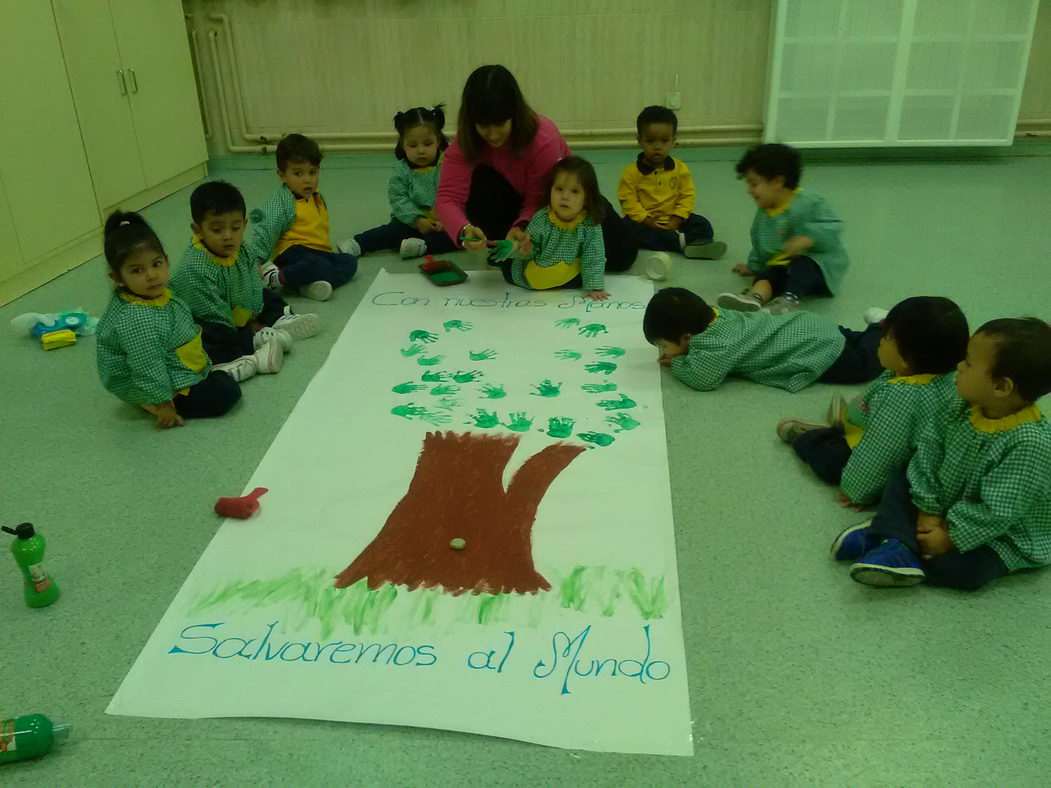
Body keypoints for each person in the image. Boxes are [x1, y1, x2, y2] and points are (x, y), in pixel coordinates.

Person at [835, 318, 1051, 591]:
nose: (958, 367)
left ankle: (893, 538)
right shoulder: (960, 405)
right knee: (902, 476)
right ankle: (894, 542)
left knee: (960, 572)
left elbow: (996, 512)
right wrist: (928, 510)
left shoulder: (1030, 444)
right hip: (946, 499)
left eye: (969, 363)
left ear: (1000, 387)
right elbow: (928, 451)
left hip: (998, 533)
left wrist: (950, 538)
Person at [435, 64, 637, 272]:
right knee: (482, 181)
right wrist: (464, 229)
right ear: (471, 121)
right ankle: (516, 249)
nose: (493, 135)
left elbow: (540, 199)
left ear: (514, 114)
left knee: (622, 256)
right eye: (484, 126)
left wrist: (522, 225)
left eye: (500, 124)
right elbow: (448, 197)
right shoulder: (466, 141)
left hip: (561, 205)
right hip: (518, 209)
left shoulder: (543, 138)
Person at [777, 297, 968, 506]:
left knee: (830, 462)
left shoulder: (901, 398)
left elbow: (882, 454)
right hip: (898, 441)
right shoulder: (951, 378)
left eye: (886, 337)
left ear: (906, 359)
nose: (880, 340)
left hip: (892, 456)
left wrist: (858, 490)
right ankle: (846, 422)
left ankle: (809, 437)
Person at [95, 211, 243, 428]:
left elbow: (181, 315)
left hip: (174, 349)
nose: (152, 275)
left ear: (166, 260)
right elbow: (147, 366)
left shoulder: (154, 291)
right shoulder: (136, 320)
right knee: (225, 392)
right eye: (137, 270)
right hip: (158, 381)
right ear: (118, 278)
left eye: (156, 264)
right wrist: (163, 404)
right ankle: (237, 368)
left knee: (220, 331)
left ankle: (242, 353)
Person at [170, 181, 319, 369]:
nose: (228, 236)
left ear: (244, 223)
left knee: (266, 294)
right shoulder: (194, 267)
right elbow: (213, 314)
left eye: (235, 227)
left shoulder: (242, 248)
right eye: (217, 230)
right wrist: (250, 327)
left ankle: (280, 319)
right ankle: (256, 343)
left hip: (237, 305)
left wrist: (254, 314)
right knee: (215, 337)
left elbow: (253, 284)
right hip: (209, 318)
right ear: (197, 230)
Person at [643, 287, 882, 392]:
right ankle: (870, 332)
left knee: (865, 364)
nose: (663, 351)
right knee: (850, 338)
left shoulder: (716, 347)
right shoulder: (716, 314)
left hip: (815, 350)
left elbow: (702, 380)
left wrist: (677, 363)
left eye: (664, 345)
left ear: (687, 337)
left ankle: (881, 328)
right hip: (806, 324)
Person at [718, 143, 849, 315]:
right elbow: (759, 242)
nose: (749, 191)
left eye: (754, 184)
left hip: (818, 266)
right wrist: (754, 266)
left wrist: (809, 239)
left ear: (778, 182)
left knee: (801, 265)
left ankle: (790, 300)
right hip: (783, 265)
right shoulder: (764, 212)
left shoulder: (810, 203)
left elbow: (833, 226)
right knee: (768, 274)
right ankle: (754, 298)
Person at [250, 133, 358, 301]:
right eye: (298, 174)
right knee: (318, 265)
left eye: (312, 172)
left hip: (318, 253)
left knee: (349, 261)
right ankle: (276, 278)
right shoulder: (283, 204)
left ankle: (306, 286)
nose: (307, 180)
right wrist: (257, 260)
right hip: (293, 254)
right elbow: (266, 230)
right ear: (282, 175)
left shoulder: (317, 197)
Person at [347, 105, 457, 260]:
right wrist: (417, 220)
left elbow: (457, 193)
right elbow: (398, 199)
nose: (420, 150)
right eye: (413, 145)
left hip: (443, 224)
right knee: (392, 232)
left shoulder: (447, 164)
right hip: (410, 223)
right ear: (403, 144)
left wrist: (449, 219)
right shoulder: (402, 170)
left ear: (438, 141)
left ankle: (422, 247)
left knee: (458, 237)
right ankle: (359, 244)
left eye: (427, 144)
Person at [618, 105, 725, 259]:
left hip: (674, 220)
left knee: (703, 225)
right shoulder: (630, 173)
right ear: (639, 141)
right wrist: (646, 220)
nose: (657, 147)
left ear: (673, 141)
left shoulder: (680, 169)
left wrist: (677, 219)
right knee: (625, 229)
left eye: (664, 141)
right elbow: (628, 202)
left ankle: (679, 240)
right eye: (650, 141)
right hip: (645, 222)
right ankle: (683, 243)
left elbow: (687, 196)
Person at [502, 157, 608, 300]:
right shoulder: (542, 218)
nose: (565, 197)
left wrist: (594, 286)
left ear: (587, 197)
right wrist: (520, 248)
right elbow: (531, 250)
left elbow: (594, 256)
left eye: (574, 191)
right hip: (536, 273)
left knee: (582, 275)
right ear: (550, 190)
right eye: (559, 189)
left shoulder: (589, 224)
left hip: (567, 276)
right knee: (508, 267)